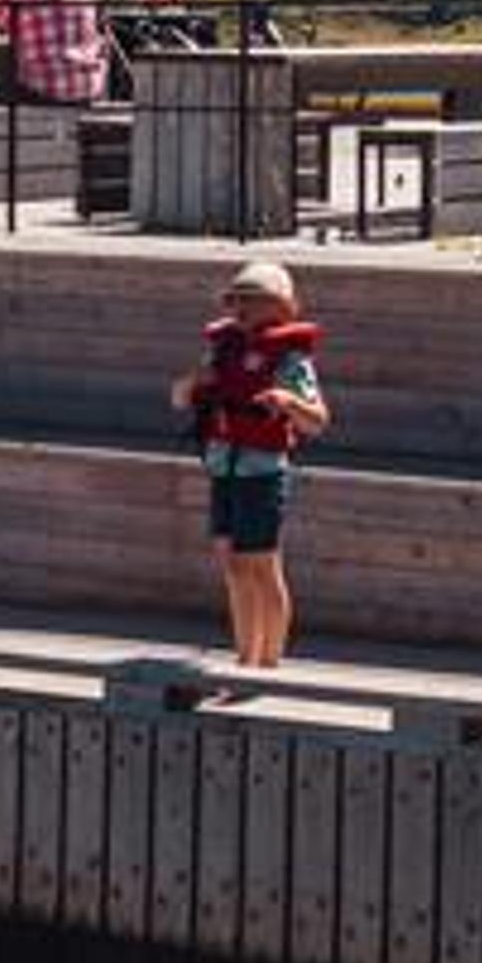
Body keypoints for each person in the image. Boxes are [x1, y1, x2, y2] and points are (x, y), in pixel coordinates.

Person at [177, 259, 331, 668]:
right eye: (236, 300)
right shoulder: (222, 350)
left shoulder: (290, 360)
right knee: (233, 565)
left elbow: (317, 421)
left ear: (281, 308)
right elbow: (179, 398)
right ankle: (245, 657)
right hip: (224, 467)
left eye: (254, 300)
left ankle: (269, 662)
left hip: (261, 471)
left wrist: (287, 401)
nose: (242, 308)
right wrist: (194, 384)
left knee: (262, 564)